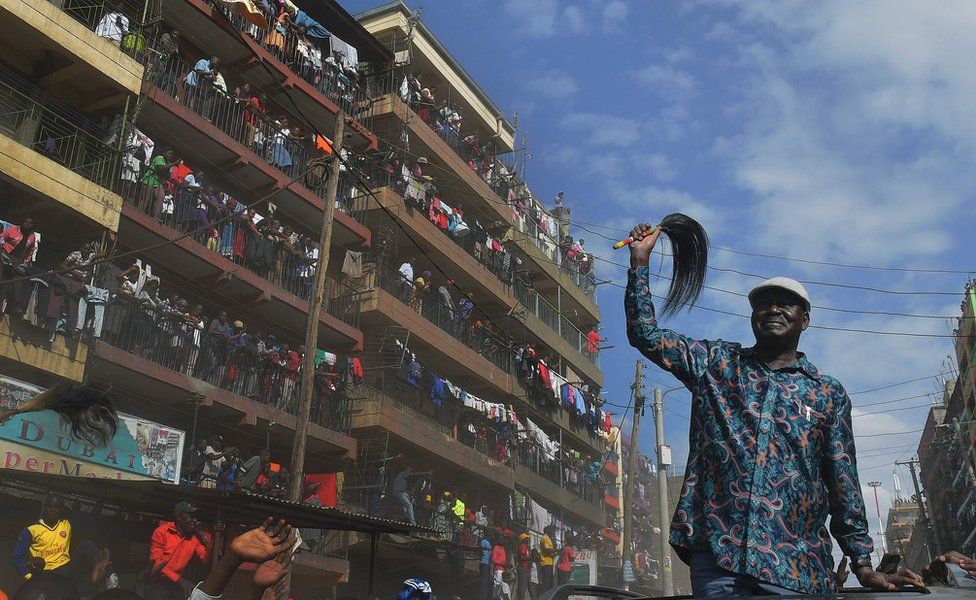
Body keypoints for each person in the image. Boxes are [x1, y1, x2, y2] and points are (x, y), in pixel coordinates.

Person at [624, 224, 925, 596]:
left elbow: (842, 481)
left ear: (805, 319)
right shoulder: (716, 365)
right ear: (752, 316)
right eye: (763, 303)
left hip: (798, 568)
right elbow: (646, 334)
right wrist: (640, 261)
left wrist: (862, 563)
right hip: (720, 561)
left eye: (786, 303)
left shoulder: (827, 393)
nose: (773, 309)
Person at [144, 502, 209, 600]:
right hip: (157, 584)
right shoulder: (162, 532)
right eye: (191, 517)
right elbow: (156, 564)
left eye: (195, 517)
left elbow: (205, 558)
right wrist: (180, 580)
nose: (195, 520)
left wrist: (211, 538)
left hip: (176, 586)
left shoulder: (194, 538)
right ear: (179, 517)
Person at [12, 494, 72, 581]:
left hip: (64, 568)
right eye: (50, 506)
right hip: (43, 571)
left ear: (61, 510)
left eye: (57, 507)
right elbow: (16, 556)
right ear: (45, 507)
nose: (53, 510)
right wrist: (28, 576)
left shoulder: (67, 525)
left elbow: (89, 518)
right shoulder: (32, 529)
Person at [538, 525, 556, 593]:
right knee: (546, 583)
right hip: (546, 563)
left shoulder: (548, 538)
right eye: (551, 530)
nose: (553, 532)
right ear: (548, 531)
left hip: (550, 562)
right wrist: (558, 550)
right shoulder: (544, 538)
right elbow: (548, 550)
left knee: (549, 583)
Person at [515, 533, 531, 600]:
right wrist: (530, 558)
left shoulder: (522, 546)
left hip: (523, 567)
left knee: (523, 587)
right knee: (522, 587)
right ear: (523, 539)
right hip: (522, 568)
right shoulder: (523, 546)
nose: (528, 539)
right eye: (526, 538)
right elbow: (522, 557)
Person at [479, 533, 493, 600]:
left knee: (486, 581)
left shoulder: (489, 543)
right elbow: (480, 549)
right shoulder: (484, 541)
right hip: (484, 562)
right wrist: (486, 549)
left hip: (487, 564)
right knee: (483, 582)